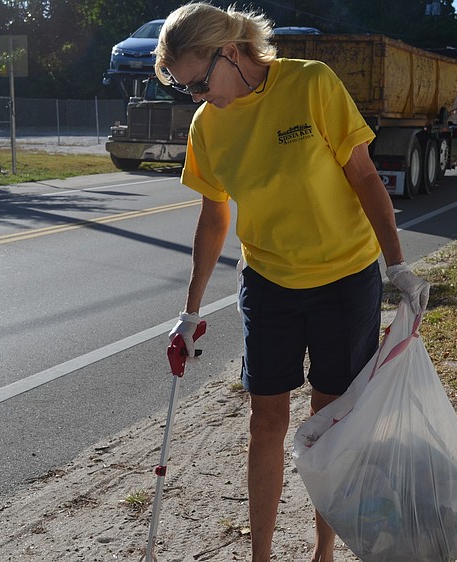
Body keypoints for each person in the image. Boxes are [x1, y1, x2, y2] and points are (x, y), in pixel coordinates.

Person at [155, 3, 430, 561]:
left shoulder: (311, 84)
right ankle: (261, 555)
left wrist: (395, 263)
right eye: (185, 90)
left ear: (229, 51)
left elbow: (364, 175)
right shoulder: (207, 125)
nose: (198, 97)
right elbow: (215, 217)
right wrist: (191, 310)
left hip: (344, 279)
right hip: (269, 283)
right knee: (266, 421)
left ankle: (322, 551)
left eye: (199, 83)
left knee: (328, 421)